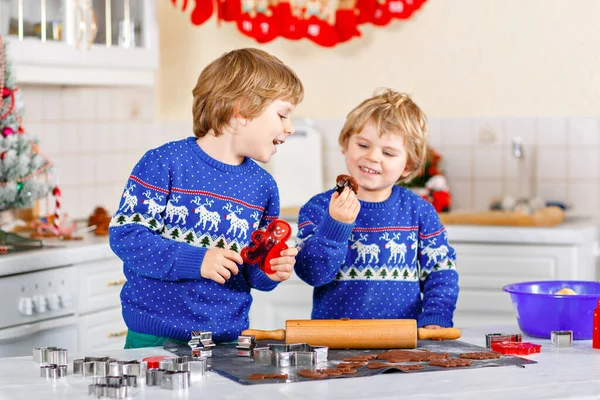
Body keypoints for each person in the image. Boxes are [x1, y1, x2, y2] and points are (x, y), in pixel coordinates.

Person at [109, 48, 304, 348]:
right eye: (282, 115)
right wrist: (197, 260)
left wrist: (270, 270)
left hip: (227, 342)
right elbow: (128, 237)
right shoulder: (165, 163)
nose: (290, 128)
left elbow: (251, 273)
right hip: (156, 338)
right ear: (241, 111)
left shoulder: (264, 187)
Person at [295, 88, 458, 329]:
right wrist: (335, 225)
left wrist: (436, 317)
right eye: (363, 145)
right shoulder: (319, 208)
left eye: (389, 152)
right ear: (345, 144)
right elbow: (312, 273)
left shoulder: (419, 211)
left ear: (408, 165)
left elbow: (441, 271)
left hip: (402, 344)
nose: (372, 157)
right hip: (333, 343)